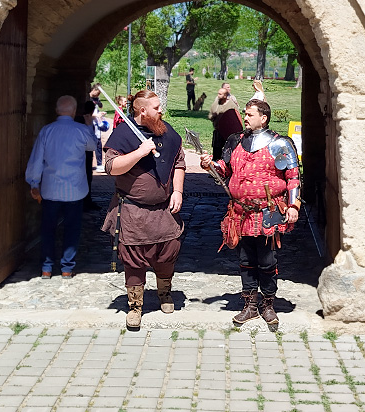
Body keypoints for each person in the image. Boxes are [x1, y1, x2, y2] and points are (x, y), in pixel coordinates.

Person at [200, 99, 300, 332]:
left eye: (250, 114)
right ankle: (250, 305)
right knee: (245, 261)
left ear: (263, 118)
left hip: (268, 212)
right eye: (245, 114)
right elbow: (224, 169)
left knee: (267, 261)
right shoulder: (235, 141)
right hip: (240, 213)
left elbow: (293, 176)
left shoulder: (280, 143)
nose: (245, 118)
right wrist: (209, 165)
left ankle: (268, 304)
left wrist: (293, 206)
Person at [101, 89, 185, 330]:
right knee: (134, 260)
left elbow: (179, 162)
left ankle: (164, 294)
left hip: (163, 211)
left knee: (167, 253)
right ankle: (135, 306)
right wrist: (139, 152)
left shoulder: (167, 132)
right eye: (156, 107)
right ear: (143, 110)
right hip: (132, 212)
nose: (161, 111)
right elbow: (111, 167)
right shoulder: (123, 134)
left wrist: (178, 191)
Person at [24, 95, 98, 278]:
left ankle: (46, 267)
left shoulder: (46, 131)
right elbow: (92, 146)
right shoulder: (81, 130)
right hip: (75, 189)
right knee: (72, 229)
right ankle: (67, 268)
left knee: (48, 229)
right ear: (74, 112)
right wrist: (89, 125)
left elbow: (37, 159)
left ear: (57, 110)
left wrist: (34, 182)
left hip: (51, 189)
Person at [207, 84, 242, 158]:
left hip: (228, 135)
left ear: (225, 96)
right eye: (218, 94)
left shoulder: (232, 105)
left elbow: (235, 119)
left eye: (220, 94)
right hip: (218, 133)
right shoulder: (216, 104)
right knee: (216, 156)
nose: (218, 96)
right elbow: (210, 116)